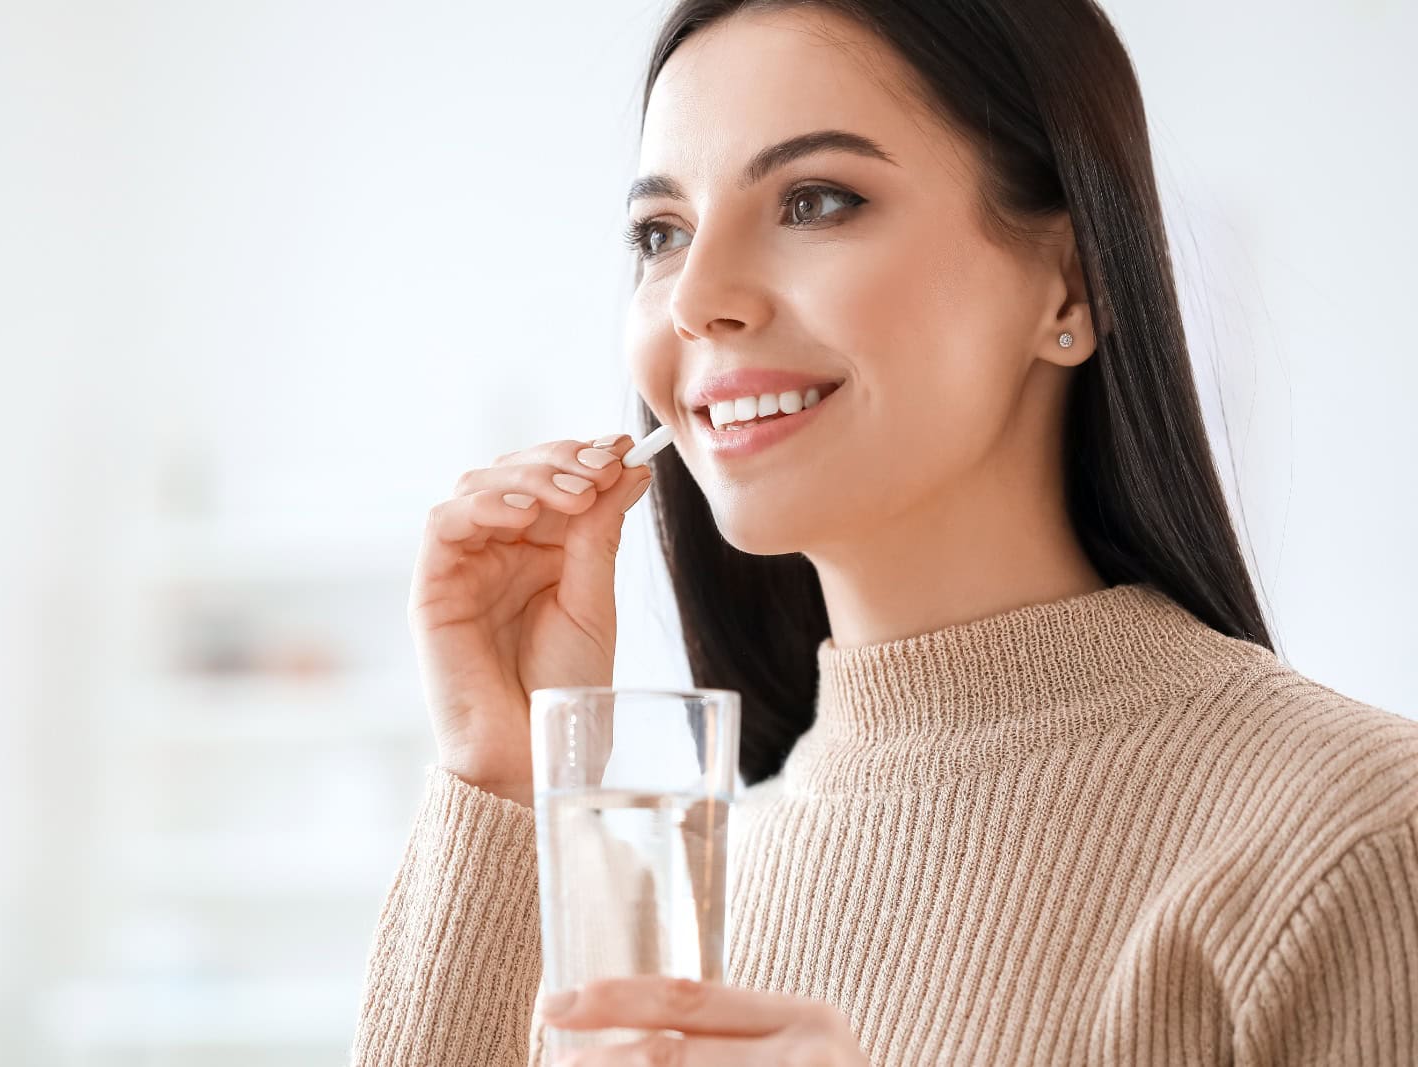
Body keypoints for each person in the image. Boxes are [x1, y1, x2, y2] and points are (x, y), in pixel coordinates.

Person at [352, 1, 1418, 1063]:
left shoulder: (1358, 839)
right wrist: (498, 781)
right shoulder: (682, 908)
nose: (698, 298)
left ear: (1071, 284)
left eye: (815, 200)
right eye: (660, 233)